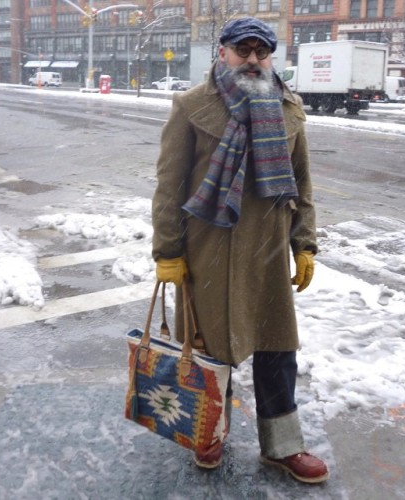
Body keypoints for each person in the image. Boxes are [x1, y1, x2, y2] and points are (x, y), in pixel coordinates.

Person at [151, 17, 328, 484]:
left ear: (271, 57)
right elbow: (169, 186)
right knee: (210, 349)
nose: (252, 60)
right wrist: (167, 250)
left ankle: (283, 446)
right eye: (242, 49)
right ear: (222, 52)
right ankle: (209, 430)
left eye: (261, 51)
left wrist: (304, 244)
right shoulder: (191, 106)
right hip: (208, 251)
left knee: (276, 350)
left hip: (267, 253)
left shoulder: (289, 107)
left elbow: (302, 185)